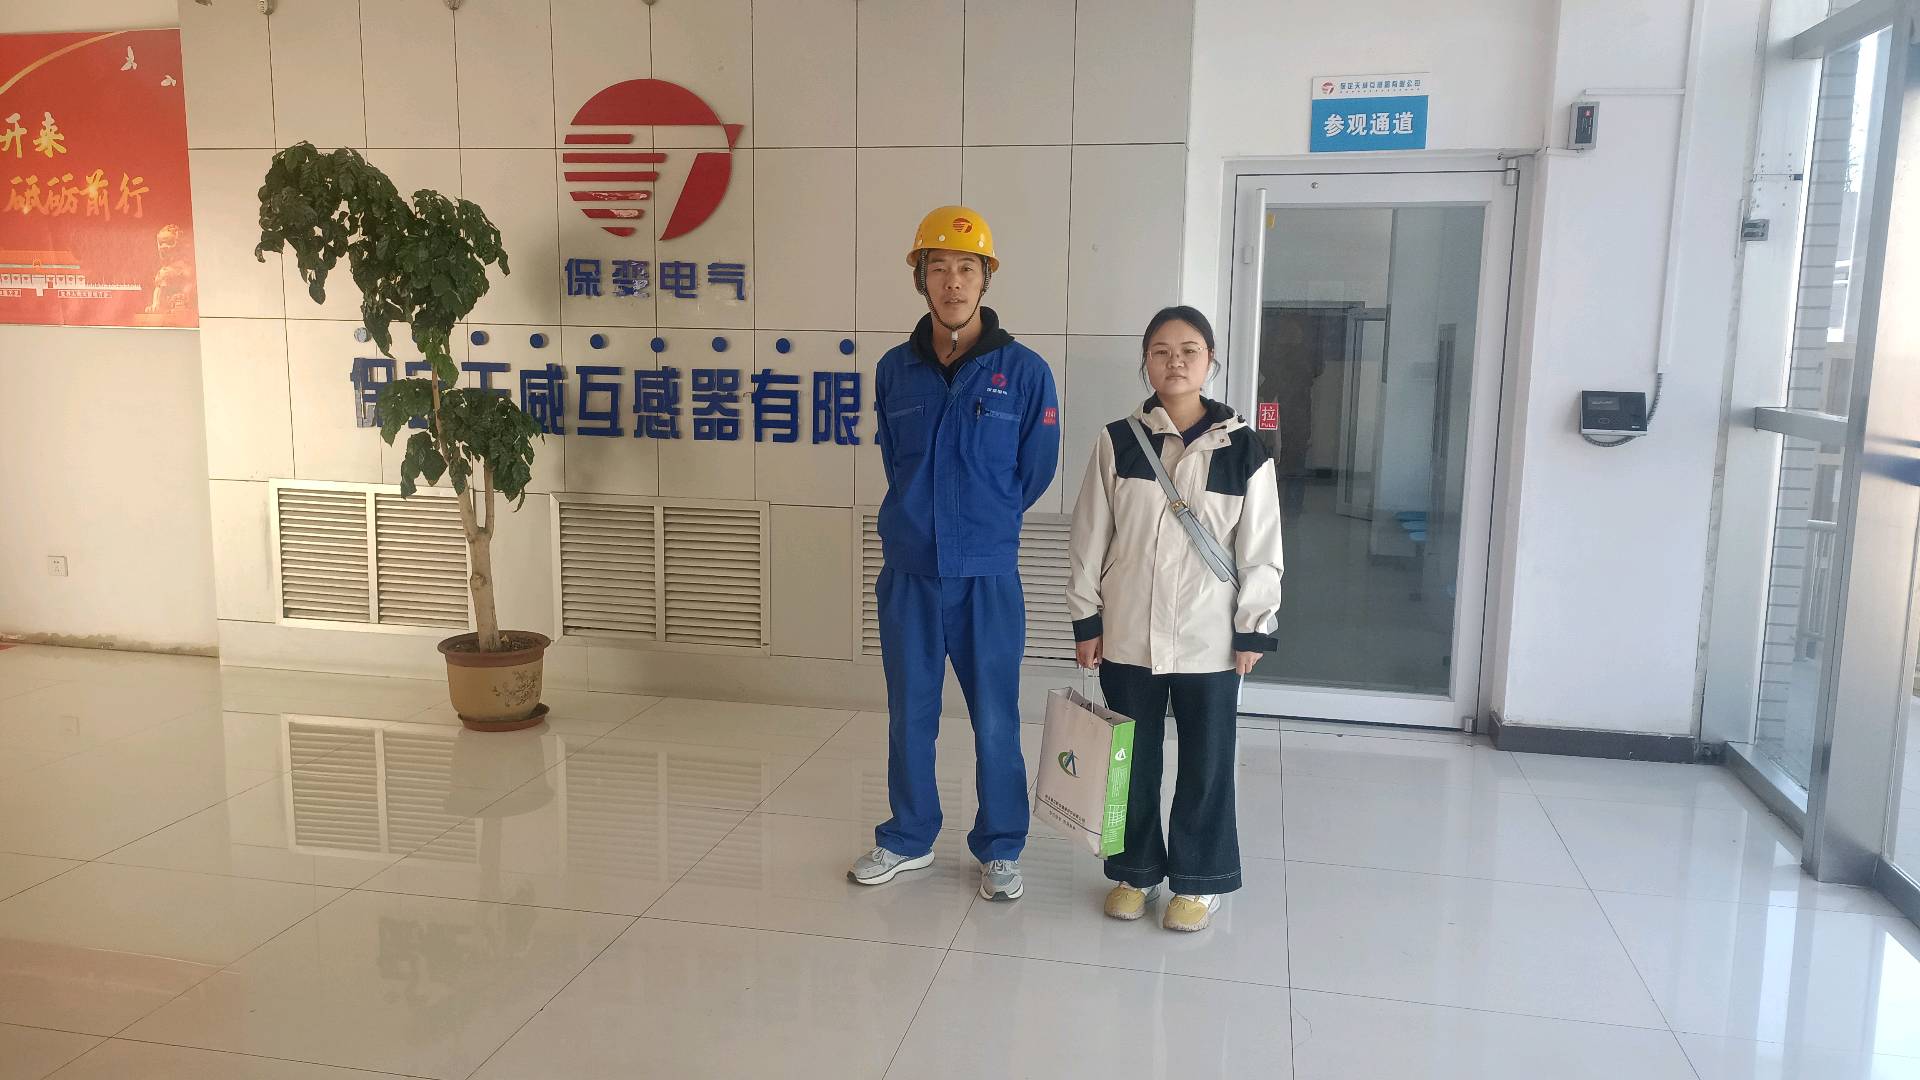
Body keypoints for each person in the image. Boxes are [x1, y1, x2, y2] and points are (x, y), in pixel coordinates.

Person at [848, 206, 1061, 902]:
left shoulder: (1024, 372)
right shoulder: (895, 370)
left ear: (986, 278)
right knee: (909, 712)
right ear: (920, 278)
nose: (952, 281)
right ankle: (908, 838)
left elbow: (1034, 471)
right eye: (937, 267)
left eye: (966, 268)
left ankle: (1001, 847)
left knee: (995, 716)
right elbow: (897, 462)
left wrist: (983, 523)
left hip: (986, 574)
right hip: (910, 569)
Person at [1065, 305, 1284, 932]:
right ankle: (1135, 871)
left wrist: (1253, 625)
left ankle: (1199, 880)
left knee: (1206, 763)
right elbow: (1090, 536)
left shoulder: (1244, 448)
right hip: (1129, 632)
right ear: (1146, 362)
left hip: (1209, 638)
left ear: (1210, 361)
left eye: (1190, 350)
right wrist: (1087, 619)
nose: (1176, 361)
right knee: (1130, 760)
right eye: (1161, 350)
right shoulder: (1117, 441)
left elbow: (1261, 547)